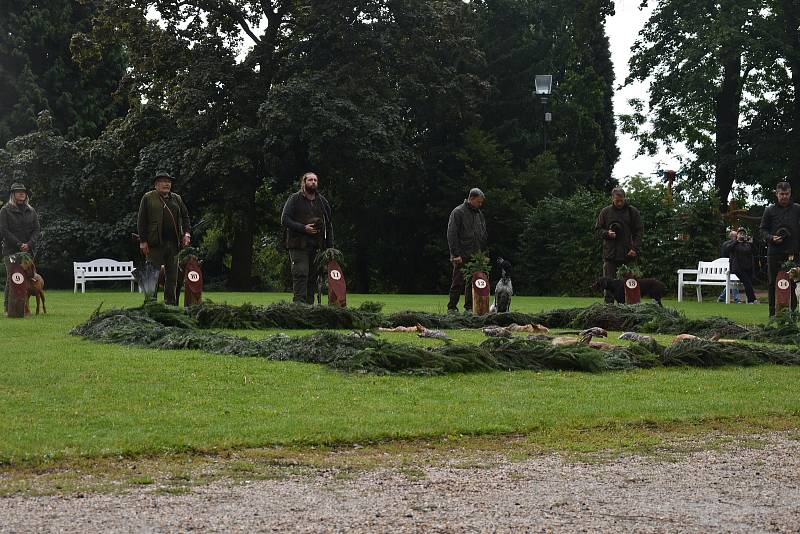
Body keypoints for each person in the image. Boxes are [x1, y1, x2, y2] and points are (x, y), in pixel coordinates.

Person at [137, 170, 191, 306]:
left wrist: (186, 234)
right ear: (156, 184)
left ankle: (170, 305)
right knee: (152, 275)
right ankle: (150, 304)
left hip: (173, 243)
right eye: (163, 181)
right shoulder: (148, 197)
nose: (167, 184)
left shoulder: (177, 198)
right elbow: (141, 220)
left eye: (169, 181)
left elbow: (185, 217)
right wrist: (143, 241)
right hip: (154, 243)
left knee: (172, 276)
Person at [281, 172, 333, 304]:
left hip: (316, 246)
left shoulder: (322, 202)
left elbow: (329, 225)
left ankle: (309, 309)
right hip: (298, 244)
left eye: (315, 180)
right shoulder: (294, 199)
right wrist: (304, 228)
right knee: (301, 273)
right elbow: (285, 219)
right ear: (304, 182)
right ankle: (298, 306)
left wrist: (329, 249)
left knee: (312, 278)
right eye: (310, 180)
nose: (313, 182)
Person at [595, 187, 643, 303]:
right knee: (608, 284)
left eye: (622, 200)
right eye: (617, 201)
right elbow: (597, 230)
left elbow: (639, 231)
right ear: (613, 198)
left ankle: (631, 308)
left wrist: (634, 248)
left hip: (628, 254)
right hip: (610, 254)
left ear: (624, 198)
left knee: (631, 284)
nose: (620, 203)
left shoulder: (632, 212)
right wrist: (607, 233)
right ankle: (609, 310)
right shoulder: (605, 212)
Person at [760, 181, 800, 315]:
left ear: (790, 194)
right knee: (772, 283)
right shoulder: (769, 210)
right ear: (776, 194)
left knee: (793, 283)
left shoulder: (797, 209)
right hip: (774, 253)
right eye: (781, 194)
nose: (784, 196)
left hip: (793, 252)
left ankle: (792, 314)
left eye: (786, 194)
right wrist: (771, 238)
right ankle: (772, 314)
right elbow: (762, 230)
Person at [1, 183, 40, 314]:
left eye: (23, 191)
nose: (22, 193)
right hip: (11, 251)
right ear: (13, 194)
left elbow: (36, 229)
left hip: (28, 251)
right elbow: (4, 230)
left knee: (27, 278)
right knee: (11, 278)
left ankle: (23, 307)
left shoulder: (31, 210)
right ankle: (8, 307)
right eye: (18, 191)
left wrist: (29, 244)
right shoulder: (5, 210)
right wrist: (19, 244)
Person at [446, 188, 488, 312]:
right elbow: (451, 233)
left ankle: (469, 308)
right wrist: (455, 254)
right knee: (457, 282)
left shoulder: (479, 214)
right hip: (461, 254)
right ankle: (452, 308)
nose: (480, 204)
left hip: (476, 255)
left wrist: (484, 254)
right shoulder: (458, 212)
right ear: (471, 198)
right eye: (478, 202)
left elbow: (483, 235)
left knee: (473, 283)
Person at [728, 227, 758, 304]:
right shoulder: (734, 243)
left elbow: (755, 252)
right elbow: (728, 249)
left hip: (748, 267)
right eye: (740, 233)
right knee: (747, 282)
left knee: (748, 283)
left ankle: (751, 300)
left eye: (743, 234)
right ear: (737, 235)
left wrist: (751, 243)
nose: (742, 235)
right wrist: (737, 241)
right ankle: (752, 300)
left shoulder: (747, 244)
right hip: (738, 268)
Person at [718, 230, 741, 303]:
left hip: (725, 266)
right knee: (733, 281)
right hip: (729, 267)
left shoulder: (725, 243)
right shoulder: (733, 244)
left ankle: (721, 297)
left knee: (731, 282)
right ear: (734, 237)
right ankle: (737, 299)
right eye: (736, 236)